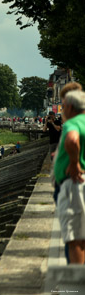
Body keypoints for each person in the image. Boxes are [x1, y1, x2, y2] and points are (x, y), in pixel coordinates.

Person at [54, 90, 85, 264]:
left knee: (76, 239)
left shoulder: (73, 123)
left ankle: (77, 288)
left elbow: (72, 140)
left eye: (63, 106)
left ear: (71, 107)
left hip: (76, 184)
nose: (62, 110)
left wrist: (74, 162)